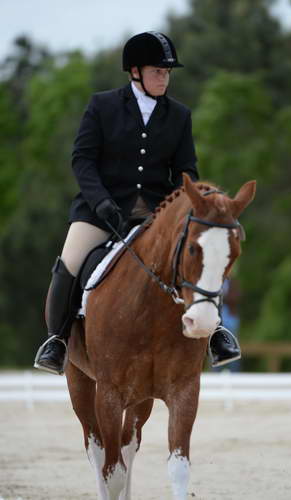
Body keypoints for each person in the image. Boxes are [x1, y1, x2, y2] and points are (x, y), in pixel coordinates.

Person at [34, 31, 240, 375]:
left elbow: (186, 167)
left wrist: (180, 208)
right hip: (101, 212)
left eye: (167, 72)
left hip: (157, 214)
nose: (164, 78)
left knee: (201, 256)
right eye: (157, 71)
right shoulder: (103, 106)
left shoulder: (179, 115)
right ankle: (56, 340)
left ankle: (216, 333)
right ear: (135, 72)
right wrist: (99, 201)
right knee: (69, 263)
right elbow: (82, 160)